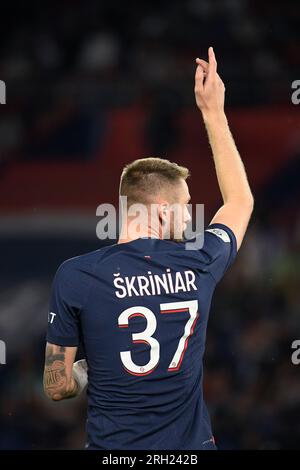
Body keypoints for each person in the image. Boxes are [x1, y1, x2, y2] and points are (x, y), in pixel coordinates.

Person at [43, 47, 253, 450]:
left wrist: (88, 371)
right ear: (160, 210)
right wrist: (213, 113)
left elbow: (56, 386)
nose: (190, 218)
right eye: (185, 207)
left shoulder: (76, 275)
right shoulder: (199, 261)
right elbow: (240, 202)